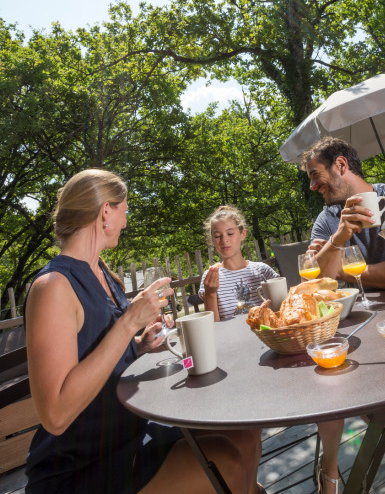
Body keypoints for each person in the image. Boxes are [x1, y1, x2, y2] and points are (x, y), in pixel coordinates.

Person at [25, 169, 262, 494]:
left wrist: (138, 345)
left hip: (130, 431)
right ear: (105, 211)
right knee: (228, 465)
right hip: (84, 465)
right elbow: (55, 415)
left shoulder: (102, 274)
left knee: (245, 434)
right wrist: (128, 324)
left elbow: (99, 353)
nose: (126, 219)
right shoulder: (53, 287)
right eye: (124, 209)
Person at [301, 137, 385, 494]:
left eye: (316, 176)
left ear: (342, 165)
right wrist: (341, 236)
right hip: (368, 327)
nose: (313, 186)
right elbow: (322, 285)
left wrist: (344, 268)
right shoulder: (328, 219)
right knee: (365, 397)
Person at [199, 204, 278, 321]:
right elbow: (214, 327)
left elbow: (281, 309)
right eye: (217, 236)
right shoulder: (210, 277)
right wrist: (210, 293)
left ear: (243, 234)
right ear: (212, 241)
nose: (224, 240)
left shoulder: (263, 271)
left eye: (230, 233)